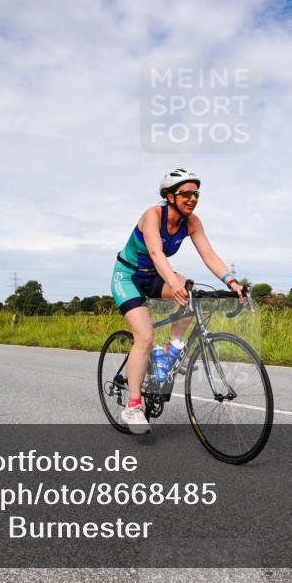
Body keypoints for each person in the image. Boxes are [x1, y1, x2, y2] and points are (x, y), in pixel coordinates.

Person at [111, 168, 245, 434]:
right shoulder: (153, 215)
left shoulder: (192, 222)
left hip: (156, 276)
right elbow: (155, 252)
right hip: (128, 277)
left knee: (192, 293)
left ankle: (172, 350)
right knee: (145, 337)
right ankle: (133, 406)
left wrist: (231, 282)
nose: (192, 198)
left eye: (196, 193)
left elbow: (208, 254)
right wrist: (174, 283)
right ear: (170, 196)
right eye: (186, 194)